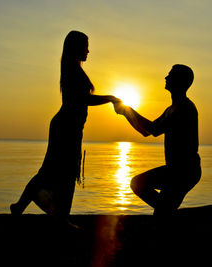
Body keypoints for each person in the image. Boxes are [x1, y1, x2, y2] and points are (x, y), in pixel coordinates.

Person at [10, 31, 120, 220]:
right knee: (57, 173)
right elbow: (83, 99)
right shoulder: (72, 70)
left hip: (70, 127)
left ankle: (54, 215)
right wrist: (110, 98)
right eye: (85, 46)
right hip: (65, 127)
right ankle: (43, 212)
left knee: (61, 173)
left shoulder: (74, 69)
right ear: (76, 47)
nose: (88, 51)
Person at [113, 64, 201, 218]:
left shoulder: (184, 108)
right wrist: (125, 113)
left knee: (159, 212)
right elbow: (147, 131)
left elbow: (153, 129)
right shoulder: (171, 109)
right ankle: (173, 214)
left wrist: (126, 109)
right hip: (174, 171)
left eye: (170, 75)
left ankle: (173, 214)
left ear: (180, 81)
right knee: (142, 188)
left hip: (184, 172)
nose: (166, 77)